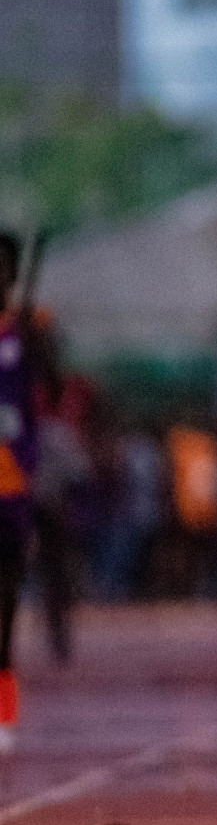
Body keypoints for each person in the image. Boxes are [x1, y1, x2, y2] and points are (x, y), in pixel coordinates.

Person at [0, 232, 61, 751]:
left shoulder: (28, 331)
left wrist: (35, 341)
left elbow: (55, 390)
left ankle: (4, 713)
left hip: (13, 488)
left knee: (6, 608)